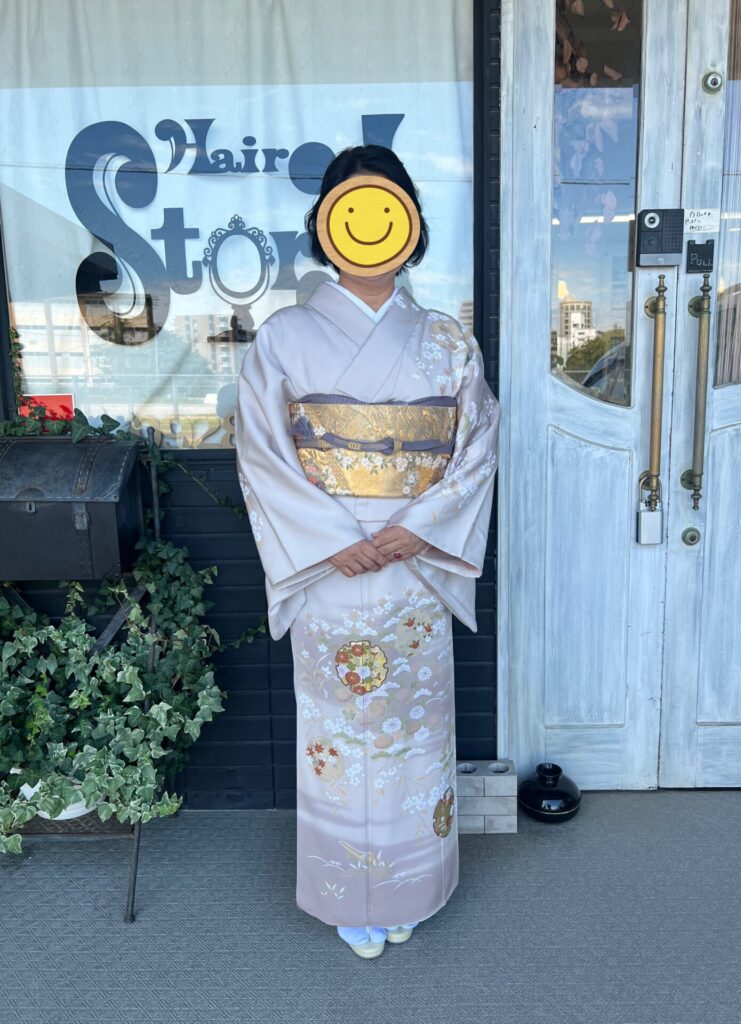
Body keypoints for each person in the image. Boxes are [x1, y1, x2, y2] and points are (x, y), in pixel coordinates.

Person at [235, 144, 500, 959]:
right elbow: (260, 452)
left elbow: (478, 444)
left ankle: (412, 882)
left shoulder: (446, 340)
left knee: (412, 733)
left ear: (411, 224)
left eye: (387, 207)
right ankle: (348, 888)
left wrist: (422, 526)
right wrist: (328, 540)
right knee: (341, 734)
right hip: (330, 569)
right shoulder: (282, 337)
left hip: (413, 561)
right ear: (325, 226)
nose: (370, 225)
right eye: (350, 208)